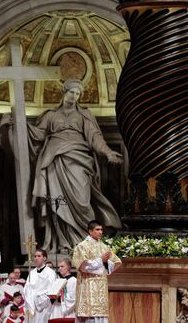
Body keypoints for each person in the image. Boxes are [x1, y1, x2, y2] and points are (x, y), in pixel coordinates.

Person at [27, 79, 123, 251]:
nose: (74, 96)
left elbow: (94, 137)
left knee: (82, 202)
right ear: (64, 92)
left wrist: (108, 152)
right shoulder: (50, 115)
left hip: (78, 160)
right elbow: (38, 135)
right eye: (72, 92)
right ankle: (63, 243)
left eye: (78, 94)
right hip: (55, 161)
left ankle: (86, 243)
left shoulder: (84, 115)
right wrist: (18, 124)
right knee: (58, 203)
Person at [72, 220, 122, 323]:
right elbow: (82, 266)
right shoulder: (82, 246)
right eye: (97, 229)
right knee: (89, 316)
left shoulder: (104, 246)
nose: (100, 232)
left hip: (101, 288)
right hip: (87, 286)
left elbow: (116, 262)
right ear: (90, 231)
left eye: (101, 230)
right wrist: (100, 261)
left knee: (101, 316)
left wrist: (102, 265)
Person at [23, 249, 57, 323]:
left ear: (44, 258)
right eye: (35, 256)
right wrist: (30, 296)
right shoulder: (32, 273)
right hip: (32, 304)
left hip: (44, 305)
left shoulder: (50, 273)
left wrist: (39, 299)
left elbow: (51, 290)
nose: (36, 258)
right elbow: (26, 288)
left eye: (39, 256)